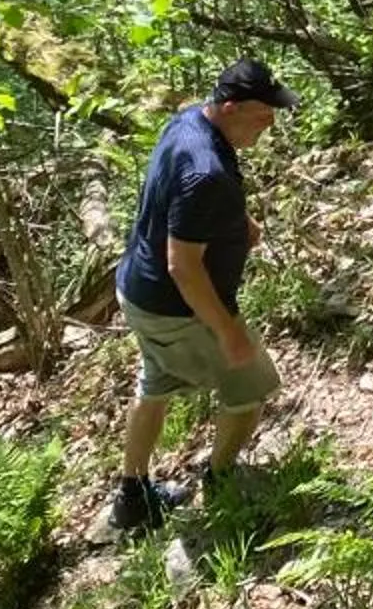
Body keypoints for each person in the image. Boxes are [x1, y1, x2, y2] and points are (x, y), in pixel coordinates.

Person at [110, 56, 298, 538]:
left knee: (155, 383)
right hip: (177, 309)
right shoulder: (207, 172)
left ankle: (132, 497)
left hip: (139, 292)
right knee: (251, 385)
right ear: (231, 107)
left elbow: (178, 204)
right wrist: (227, 330)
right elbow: (184, 266)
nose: (270, 122)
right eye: (262, 114)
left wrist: (240, 224)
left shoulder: (190, 121)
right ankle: (221, 482)